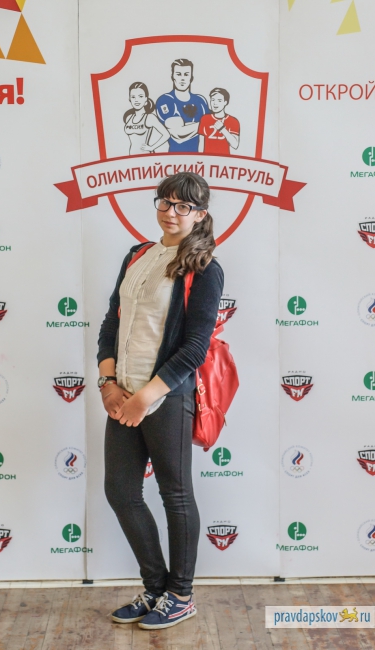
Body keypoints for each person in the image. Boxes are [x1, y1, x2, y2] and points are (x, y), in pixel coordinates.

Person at [97, 171, 224, 629]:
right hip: (122, 393)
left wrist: (144, 398)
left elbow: (195, 348)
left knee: (175, 494)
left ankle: (181, 594)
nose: (172, 213)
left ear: (200, 214)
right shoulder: (137, 255)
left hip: (166, 398)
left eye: (183, 206)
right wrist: (108, 382)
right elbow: (112, 322)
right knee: (121, 491)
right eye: (165, 203)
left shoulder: (205, 268)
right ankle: (155, 588)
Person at [155, 59, 209, 152]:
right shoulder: (165, 100)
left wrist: (187, 127)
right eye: (179, 74)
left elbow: (210, 129)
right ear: (172, 76)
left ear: (191, 77)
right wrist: (203, 124)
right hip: (175, 156)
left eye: (186, 74)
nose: (182, 78)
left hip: (198, 157)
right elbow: (178, 135)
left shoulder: (201, 100)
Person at [123, 82, 170, 155]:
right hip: (131, 155)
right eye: (133, 97)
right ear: (129, 99)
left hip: (146, 155)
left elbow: (166, 134)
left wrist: (151, 147)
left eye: (140, 96)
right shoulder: (129, 118)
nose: (136, 100)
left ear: (146, 99)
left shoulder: (149, 117)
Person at [198, 87, 240, 155]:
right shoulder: (205, 119)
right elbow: (201, 142)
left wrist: (223, 129)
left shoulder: (233, 121)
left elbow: (235, 145)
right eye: (213, 100)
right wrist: (200, 157)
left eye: (219, 100)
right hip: (207, 158)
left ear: (225, 102)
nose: (215, 103)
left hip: (224, 158)